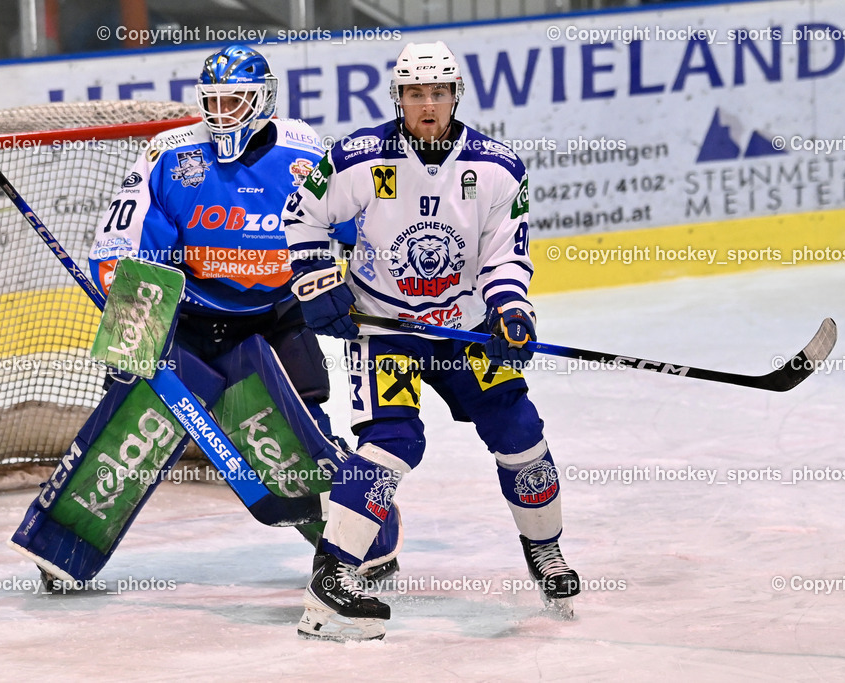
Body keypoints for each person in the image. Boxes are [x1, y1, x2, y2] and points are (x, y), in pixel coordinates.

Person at [282, 41, 579, 641]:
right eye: (415, 93)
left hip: (464, 331)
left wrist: (510, 311)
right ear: (398, 98)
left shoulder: (498, 168)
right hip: (385, 328)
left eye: (438, 93)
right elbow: (302, 212)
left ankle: (544, 549)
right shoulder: (359, 157)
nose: (427, 105)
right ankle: (333, 575)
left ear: (455, 96)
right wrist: (315, 280)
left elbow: (504, 254)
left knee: (518, 429)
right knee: (393, 441)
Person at [77, 44, 399, 577]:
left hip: (277, 312)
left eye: (235, 101)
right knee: (131, 423)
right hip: (189, 317)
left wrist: (369, 284)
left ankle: (353, 540)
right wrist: (130, 311)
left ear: (264, 100)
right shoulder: (171, 155)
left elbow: (358, 229)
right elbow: (124, 240)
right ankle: (69, 531)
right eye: (213, 101)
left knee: (303, 430)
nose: (221, 113)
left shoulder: (304, 153)